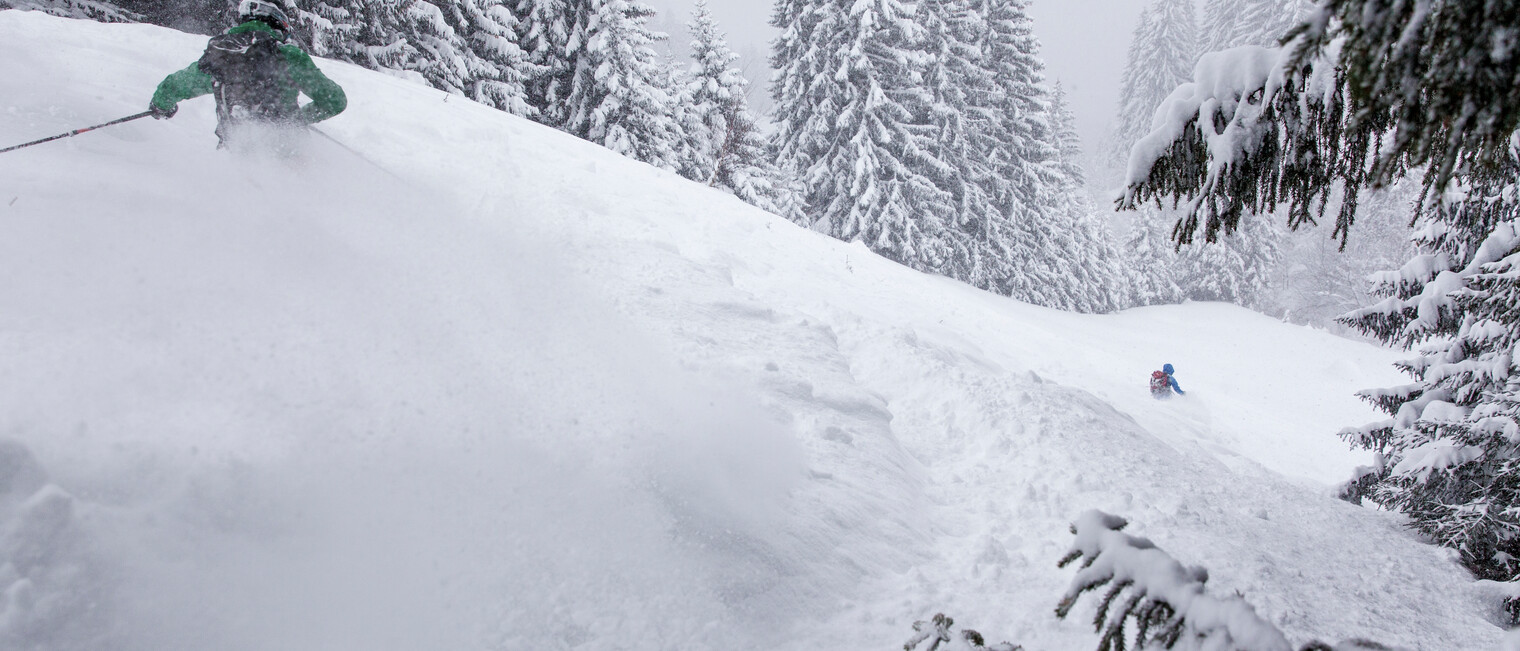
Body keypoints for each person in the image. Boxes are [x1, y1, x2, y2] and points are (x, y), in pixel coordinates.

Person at [148, 0, 345, 151]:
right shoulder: (289, 56)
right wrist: (295, 120)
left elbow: (176, 85)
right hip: (288, 155)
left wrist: (161, 105)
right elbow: (334, 101)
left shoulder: (221, 54)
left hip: (236, 157)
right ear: (279, 24)